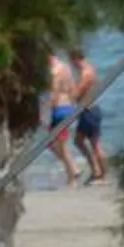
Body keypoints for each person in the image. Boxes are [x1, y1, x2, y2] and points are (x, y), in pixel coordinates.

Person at [71, 49, 107, 185]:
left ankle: (101, 175)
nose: (72, 65)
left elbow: (78, 92)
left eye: (72, 61)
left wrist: (68, 96)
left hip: (89, 111)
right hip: (87, 110)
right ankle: (95, 170)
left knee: (96, 145)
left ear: (76, 58)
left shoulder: (86, 72)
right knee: (79, 141)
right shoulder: (89, 69)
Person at [46, 50, 81, 185]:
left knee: (60, 145)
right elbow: (72, 88)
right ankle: (73, 169)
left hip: (59, 108)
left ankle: (72, 175)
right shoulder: (66, 68)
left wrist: (49, 107)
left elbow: (54, 91)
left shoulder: (55, 71)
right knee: (55, 143)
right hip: (68, 106)